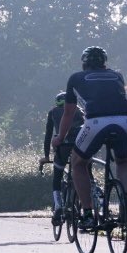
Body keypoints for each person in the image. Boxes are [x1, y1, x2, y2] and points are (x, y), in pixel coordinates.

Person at [52, 46, 127, 231]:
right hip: (125, 121)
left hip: (96, 122)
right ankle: (124, 203)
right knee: (123, 161)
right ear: (105, 62)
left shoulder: (75, 78)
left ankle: (88, 213)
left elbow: (68, 114)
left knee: (78, 162)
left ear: (84, 63)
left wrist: (60, 137)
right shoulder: (117, 75)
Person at [43, 91, 85, 224]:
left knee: (57, 175)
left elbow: (48, 135)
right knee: (84, 171)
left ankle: (58, 207)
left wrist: (46, 156)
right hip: (80, 144)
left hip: (63, 145)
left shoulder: (53, 112)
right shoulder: (80, 111)